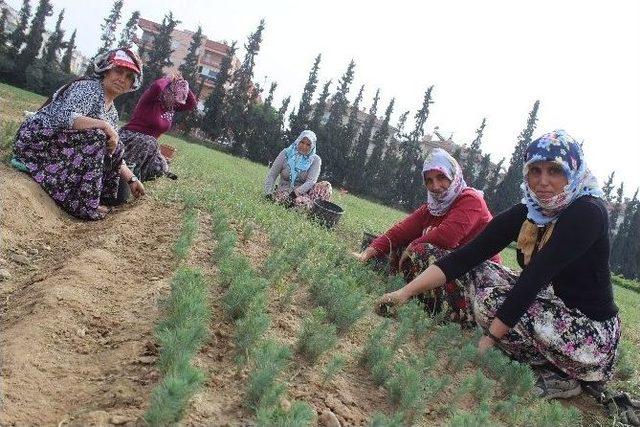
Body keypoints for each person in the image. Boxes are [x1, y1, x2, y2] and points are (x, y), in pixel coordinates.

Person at [377, 130, 619, 399]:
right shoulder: (534, 210)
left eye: (554, 171)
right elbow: (469, 255)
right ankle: (502, 335)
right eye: (535, 171)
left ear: (573, 171)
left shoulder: (587, 212)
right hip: (549, 303)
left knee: (492, 303)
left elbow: (534, 278)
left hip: (588, 331)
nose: (543, 181)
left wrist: (488, 341)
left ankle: (565, 374)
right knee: (476, 270)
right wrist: (404, 293)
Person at [353, 148, 500, 321]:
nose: (435, 186)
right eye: (429, 181)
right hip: (448, 270)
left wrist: (412, 246)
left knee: (420, 251)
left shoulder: (471, 200)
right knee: (397, 245)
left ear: (454, 176)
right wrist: (366, 253)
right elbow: (399, 232)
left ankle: (445, 311)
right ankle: (412, 294)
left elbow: (447, 237)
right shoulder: (432, 208)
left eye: (441, 177)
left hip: (477, 280)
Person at [13, 48, 145, 220]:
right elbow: (64, 118)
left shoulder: (112, 112)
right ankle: (82, 204)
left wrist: (132, 179)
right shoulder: (88, 88)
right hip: (38, 142)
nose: (122, 79)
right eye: (118, 71)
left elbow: (113, 151)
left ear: (131, 85)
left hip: (60, 146)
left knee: (114, 143)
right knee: (99, 136)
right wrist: (104, 126)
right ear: (106, 70)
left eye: (129, 77)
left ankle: (89, 197)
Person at [118, 74, 197, 181]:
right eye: (172, 92)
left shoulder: (172, 107)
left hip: (149, 144)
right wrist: (168, 79)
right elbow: (157, 87)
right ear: (166, 91)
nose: (174, 98)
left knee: (160, 169)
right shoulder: (150, 99)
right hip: (130, 138)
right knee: (149, 142)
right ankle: (128, 176)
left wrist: (183, 83)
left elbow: (192, 104)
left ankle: (138, 173)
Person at [263, 130, 332, 210]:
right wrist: (268, 193)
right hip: (286, 190)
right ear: (298, 141)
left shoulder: (315, 160)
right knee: (298, 203)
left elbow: (311, 181)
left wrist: (295, 193)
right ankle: (303, 207)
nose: (304, 146)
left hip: (306, 193)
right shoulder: (286, 153)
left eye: (308, 144)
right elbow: (272, 175)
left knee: (326, 186)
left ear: (312, 146)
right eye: (302, 142)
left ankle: (315, 208)